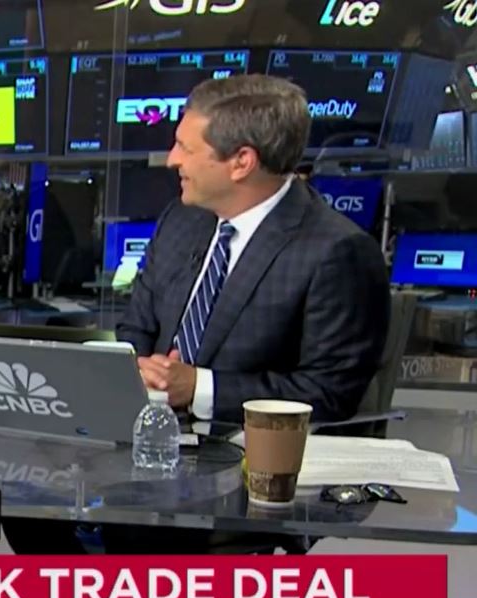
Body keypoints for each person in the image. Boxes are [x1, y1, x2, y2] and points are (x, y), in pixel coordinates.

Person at [117, 75, 389, 424]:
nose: (172, 160)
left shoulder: (337, 252)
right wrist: (139, 371)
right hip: (148, 432)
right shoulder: (180, 220)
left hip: (247, 446)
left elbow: (329, 392)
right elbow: (135, 326)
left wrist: (199, 388)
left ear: (241, 162)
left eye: (185, 148)